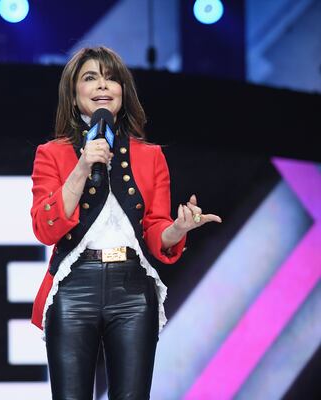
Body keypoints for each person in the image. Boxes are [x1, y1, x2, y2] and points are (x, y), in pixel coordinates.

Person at [29, 46, 222, 399]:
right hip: (74, 287)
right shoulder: (52, 154)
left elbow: (154, 231)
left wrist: (178, 228)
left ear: (123, 91)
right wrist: (83, 166)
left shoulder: (151, 156)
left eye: (111, 77)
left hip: (133, 290)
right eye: (90, 78)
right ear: (73, 96)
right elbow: (45, 227)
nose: (103, 85)